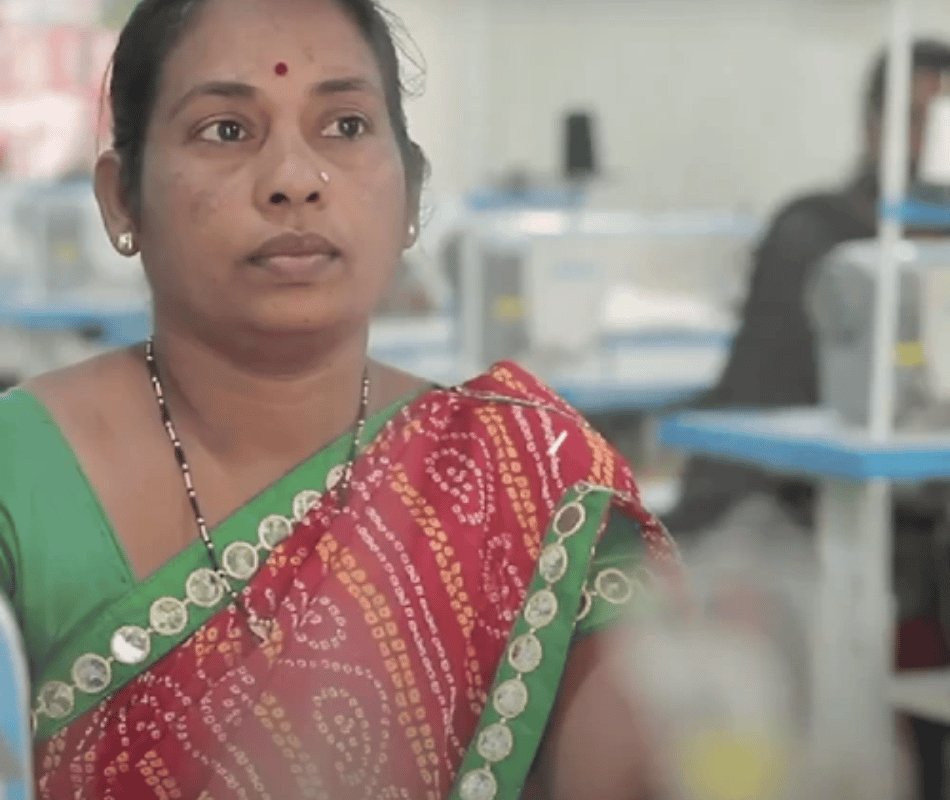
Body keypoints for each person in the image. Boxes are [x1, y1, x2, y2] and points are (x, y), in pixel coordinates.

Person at [0, 1, 679, 798]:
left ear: (411, 191)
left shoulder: (539, 483)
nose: (294, 181)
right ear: (122, 197)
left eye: (346, 126)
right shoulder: (19, 475)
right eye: (226, 130)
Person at [661, 39, 950, 800]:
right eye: (918, 121)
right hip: (786, 519)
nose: (932, 144)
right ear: (873, 125)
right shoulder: (819, 236)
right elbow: (778, 423)